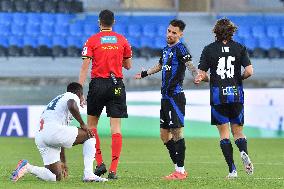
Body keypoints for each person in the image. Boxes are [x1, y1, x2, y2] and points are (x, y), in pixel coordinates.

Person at [135, 19, 197, 180]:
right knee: (164, 135)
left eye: (174, 32)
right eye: (169, 31)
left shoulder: (181, 48)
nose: (170, 34)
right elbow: (161, 65)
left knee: (176, 132)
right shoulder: (165, 50)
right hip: (165, 97)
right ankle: (178, 168)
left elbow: (190, 65)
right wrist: (145, 73)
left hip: (175, 96)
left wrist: (197, 76)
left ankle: (180, 171)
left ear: (180, 35)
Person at [11, 82, 108, 182]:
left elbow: (61, 138)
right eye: (82, 96)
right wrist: (82, 124)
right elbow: (72, 105)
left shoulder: (58, 100)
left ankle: (27, 167)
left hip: (41, 136)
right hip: (52, 131)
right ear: (79, 94)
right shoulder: (72, 95)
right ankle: (89, 174)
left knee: (55, 176)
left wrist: (63, 162)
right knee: (90, 136)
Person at [194, 18, 254, 179]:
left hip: (218, 96)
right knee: (238, 131)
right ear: (232, 32)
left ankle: (232, 170)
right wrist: (239, 78)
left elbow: (202, 74)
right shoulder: (240, 48)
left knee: (224, 134)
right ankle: (243, 151)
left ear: (216, 32)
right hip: (236, 94)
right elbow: (249, 71)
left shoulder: (209, 50)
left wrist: (202, 78)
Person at [78, 9, 132, 179]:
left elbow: (85, 67)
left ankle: (100, 162)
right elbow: (128, 65)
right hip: (116, 84)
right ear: (113, 22)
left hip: (98, 85)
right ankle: (113, 170)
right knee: (115, 128)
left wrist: (79, 90)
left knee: (92, 126)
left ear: (99, 22)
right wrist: (116, 57)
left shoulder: (92, 40)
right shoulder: (122, 40)